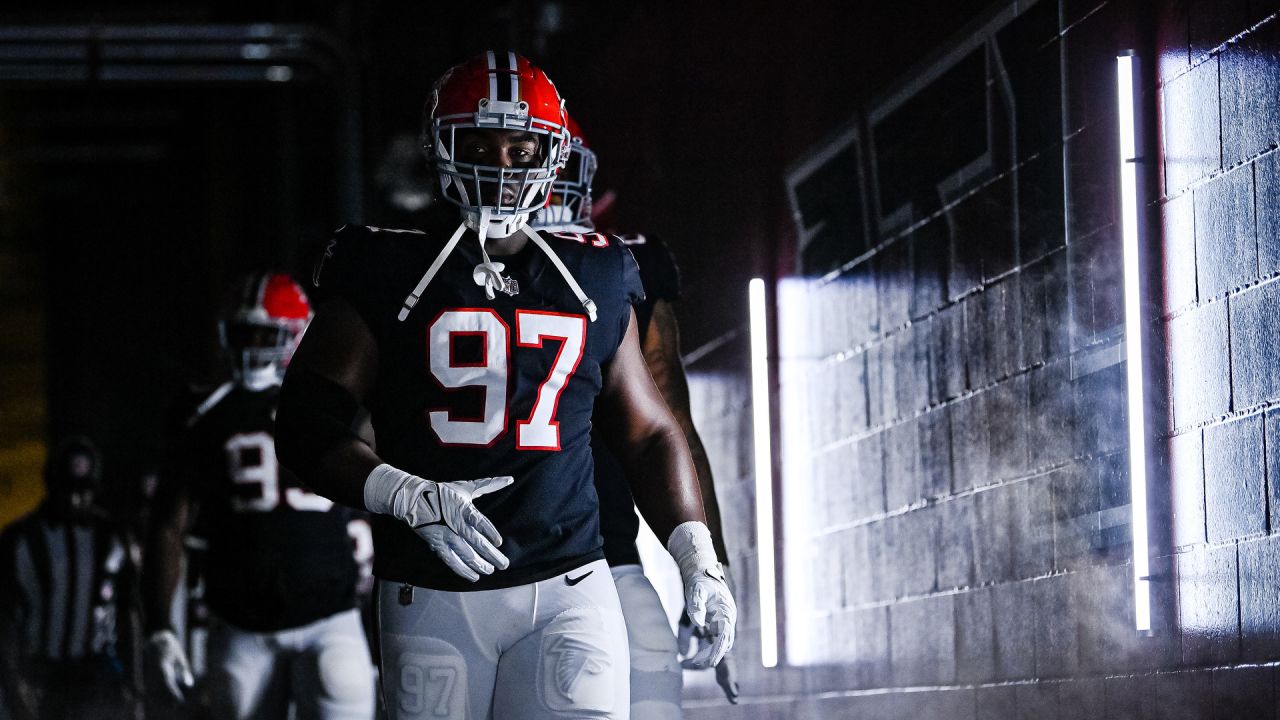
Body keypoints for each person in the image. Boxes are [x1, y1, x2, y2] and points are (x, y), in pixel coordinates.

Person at [274, 50, 736, 720]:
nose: (500, 166)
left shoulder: (596, 275)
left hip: (572, 580)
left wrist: (699, 561)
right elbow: (305, 422)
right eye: (479, 145)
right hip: (434, 584)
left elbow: (649, 432)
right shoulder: (387, 267)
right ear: (438, 150)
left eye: (522, 149)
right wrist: (405, 495)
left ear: (552, 157)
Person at [530, 118, 739, 718]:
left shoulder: (621, 266)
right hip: (505, 567)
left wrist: (707, 572)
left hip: (599, 556)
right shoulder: (445, 271)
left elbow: (670, 430)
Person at [142, 272, 375, 720]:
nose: (252, 349)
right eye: (243, 334)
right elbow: (169, 525)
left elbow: (168, 526)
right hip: (258, 613)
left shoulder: (204, 413)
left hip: (307, 612)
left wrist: (159, 626)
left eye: (264, 335)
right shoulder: (340, 405)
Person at [0, 435, 142, 720]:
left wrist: (134, 684)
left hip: (98, 675)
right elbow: (5, 619)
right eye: (67, 490)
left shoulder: (112, 538)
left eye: (83, 491)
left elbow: (128, 613)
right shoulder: (21, 540)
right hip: (41, 674)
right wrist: (12, 681)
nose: (75, 500)